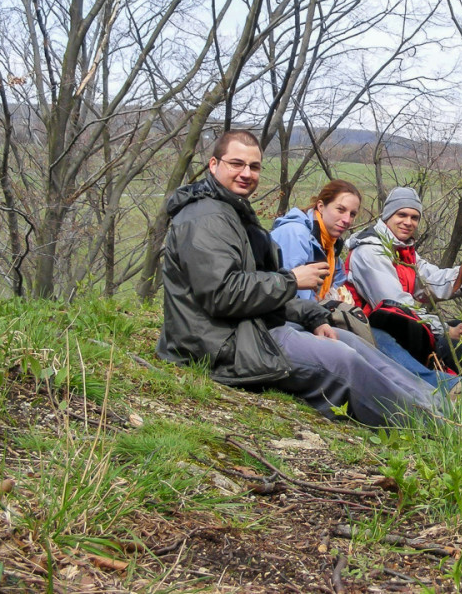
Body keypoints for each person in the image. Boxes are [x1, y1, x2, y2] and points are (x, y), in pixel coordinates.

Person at [154, 130, 443, 427]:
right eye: (236, 164)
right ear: (214, 165)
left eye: (254, 167)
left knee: (351, 341)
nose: (246, 173)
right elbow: (222, 295)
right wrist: (292, 280)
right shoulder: (205, 218)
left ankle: (442, 408)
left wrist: (311, 316)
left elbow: (255, 286)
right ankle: (431, 428)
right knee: (342, 361)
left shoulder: (232, 212)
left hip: (245, 326)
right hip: (216, 345)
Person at [344, 187, 462, 390]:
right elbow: (396, 306)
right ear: (388, 216)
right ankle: (452, 388)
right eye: (402, 214)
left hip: (399, 326)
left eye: (414, 217)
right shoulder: (370, 251)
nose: (408, 222)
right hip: (368, 328)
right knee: (448, 339)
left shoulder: (403, 251)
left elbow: (432, 280)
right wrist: (444, 330)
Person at [270, 179, 361, 301]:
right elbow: (289, 298)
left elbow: (337, 284)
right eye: (340, 210)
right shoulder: (295, 234)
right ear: (321, 207)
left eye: (352, 214)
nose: (347, 219)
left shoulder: (330, 245)